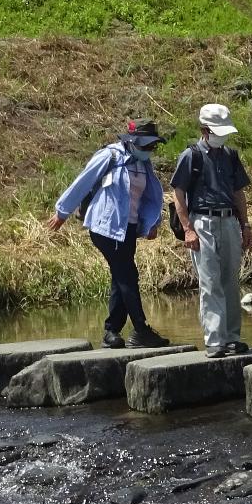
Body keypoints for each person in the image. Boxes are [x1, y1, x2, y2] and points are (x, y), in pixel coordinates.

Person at [48, 118, 172, 349]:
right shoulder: (110, 156)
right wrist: (62, 212)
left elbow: (149, 198)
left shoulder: (142, 164)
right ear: (133, 141)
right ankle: (141, 329)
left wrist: (152, 223)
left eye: (153, 146)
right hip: (106, 227)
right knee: (128, 275)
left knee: (120, 277)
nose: (150, 150)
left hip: (129, 228)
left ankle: (111, 332)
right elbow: (82, 183)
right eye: (146, 145)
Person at [170, 103, 252, 358]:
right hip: (202, 222)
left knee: (230, 279)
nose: (222, 136)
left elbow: (238, 192)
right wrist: (187, 229)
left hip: (228, 220)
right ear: (204, 130)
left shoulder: (230, 155)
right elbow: (178, 194)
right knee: (209, 282)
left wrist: (245, 224)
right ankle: (215, 340)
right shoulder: (191, 155)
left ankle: (231, 337)